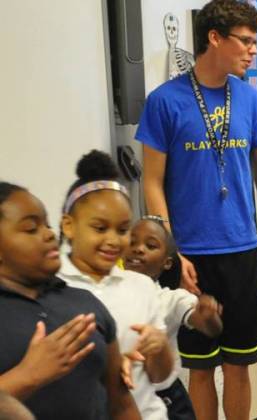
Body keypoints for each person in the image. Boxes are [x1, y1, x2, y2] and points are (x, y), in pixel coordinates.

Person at [135, 0, 257, 417]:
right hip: (191, 254)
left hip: (240, 250)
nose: (253, 51)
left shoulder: (249, 98)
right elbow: (151, 181)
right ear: (214, 38)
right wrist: (174, 251)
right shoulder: (165, 101)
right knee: (201, 366)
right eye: (244, 41)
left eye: (254, 43)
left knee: (239, 363)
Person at [0, 182, 140, 419]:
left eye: (46, 224)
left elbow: (122, 406)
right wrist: (27, 375)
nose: (49, 234)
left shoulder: (84, 302)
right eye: (31, 228)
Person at [57, 150, 173, 419]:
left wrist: (160, 348)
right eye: (99, 228)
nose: (113, 240)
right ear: (69, 226)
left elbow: (160, 378)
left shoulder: (142, 287)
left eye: (122, 230)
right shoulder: (52, 287)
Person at [124, 216, 223, 420]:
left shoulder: (171, 299)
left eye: (150, 245)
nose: (138, 249)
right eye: (132, 242)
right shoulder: (110, 293)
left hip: (166, 398)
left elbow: (210, 327)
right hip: (128, 398)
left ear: (166, 262)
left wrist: (208, 316)